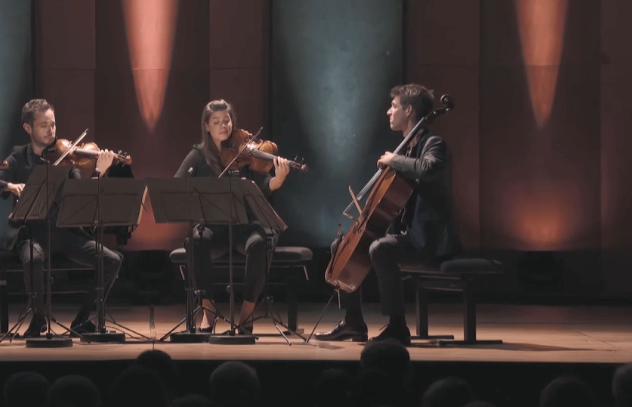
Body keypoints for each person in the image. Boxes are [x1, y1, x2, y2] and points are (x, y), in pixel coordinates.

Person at [314, 83, 460, 346]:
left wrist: (394, 160)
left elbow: (428, 168)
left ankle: (397, 326)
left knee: (381, 249)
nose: (388, 112)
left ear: (410, 110)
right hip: (407, 235)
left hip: (428, 240)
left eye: (393, 106)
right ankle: (353, 323)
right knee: (341, 245)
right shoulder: (405, 149)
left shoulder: (433, 144)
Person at [0, 99, 123, 337]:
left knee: (112, 260)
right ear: (28, 128)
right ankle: (38, 318)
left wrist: (99, 171)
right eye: (44, 125)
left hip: (64, 233)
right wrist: (10, 186)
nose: (51, 130)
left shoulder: (67, 158)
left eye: (53, 124)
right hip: (30, 231)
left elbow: (83, 195)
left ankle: (81, 320)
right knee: (34, 259)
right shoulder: (19, 156)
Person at [175, 99, 292, 335]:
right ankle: (209, 313)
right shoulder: (198, 155)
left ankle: (246, 316)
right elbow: (177, 184)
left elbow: (263, 184)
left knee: (260, 243)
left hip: (245, 225)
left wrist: (277, 180)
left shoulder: (245, 151)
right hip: (214, 225)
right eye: (216, 122)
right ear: (207, 127)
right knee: (196, 241)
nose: (223, 125)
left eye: (227, 120)